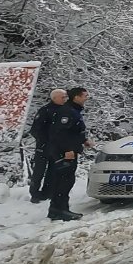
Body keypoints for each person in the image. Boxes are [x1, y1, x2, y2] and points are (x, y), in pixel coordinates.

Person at [46, 87, 94, 221]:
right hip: (64, 152)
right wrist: (67, 150)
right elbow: (60, 133)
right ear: (76, 97)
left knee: (66, 180)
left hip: (70, 150)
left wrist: (83, 140)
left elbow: (73, 131)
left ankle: (59, 209)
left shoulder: (73, 111)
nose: (86, 98)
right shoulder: (67, 112)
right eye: (84, 95)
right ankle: (59, 209)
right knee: (64, 181)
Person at [28, 89, 68, 203]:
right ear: (54, 98)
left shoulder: (66, 111)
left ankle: (47, 192)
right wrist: (44, 142)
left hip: (57, 148)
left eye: (65, 97)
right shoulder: (45, 110)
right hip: (43, 147)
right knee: (39, 171)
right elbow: (35, 130)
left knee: (53, 171)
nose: (65, 99)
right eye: (62, 97)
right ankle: (34, 193)